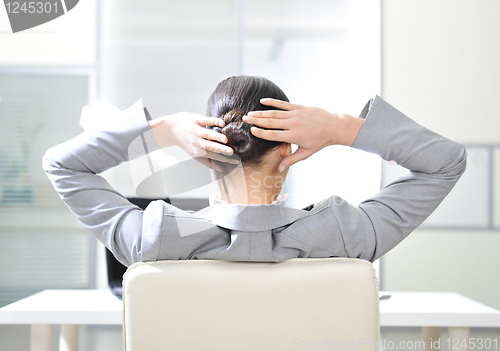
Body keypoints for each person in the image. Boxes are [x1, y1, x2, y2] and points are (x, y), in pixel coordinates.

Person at [43, 75, 467, 267]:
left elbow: (62, 165)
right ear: (288, 149)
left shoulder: (152, 238)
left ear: (207, 154)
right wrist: (342, 127)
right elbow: (445, 163)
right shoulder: (344, 234)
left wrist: (165, 130)